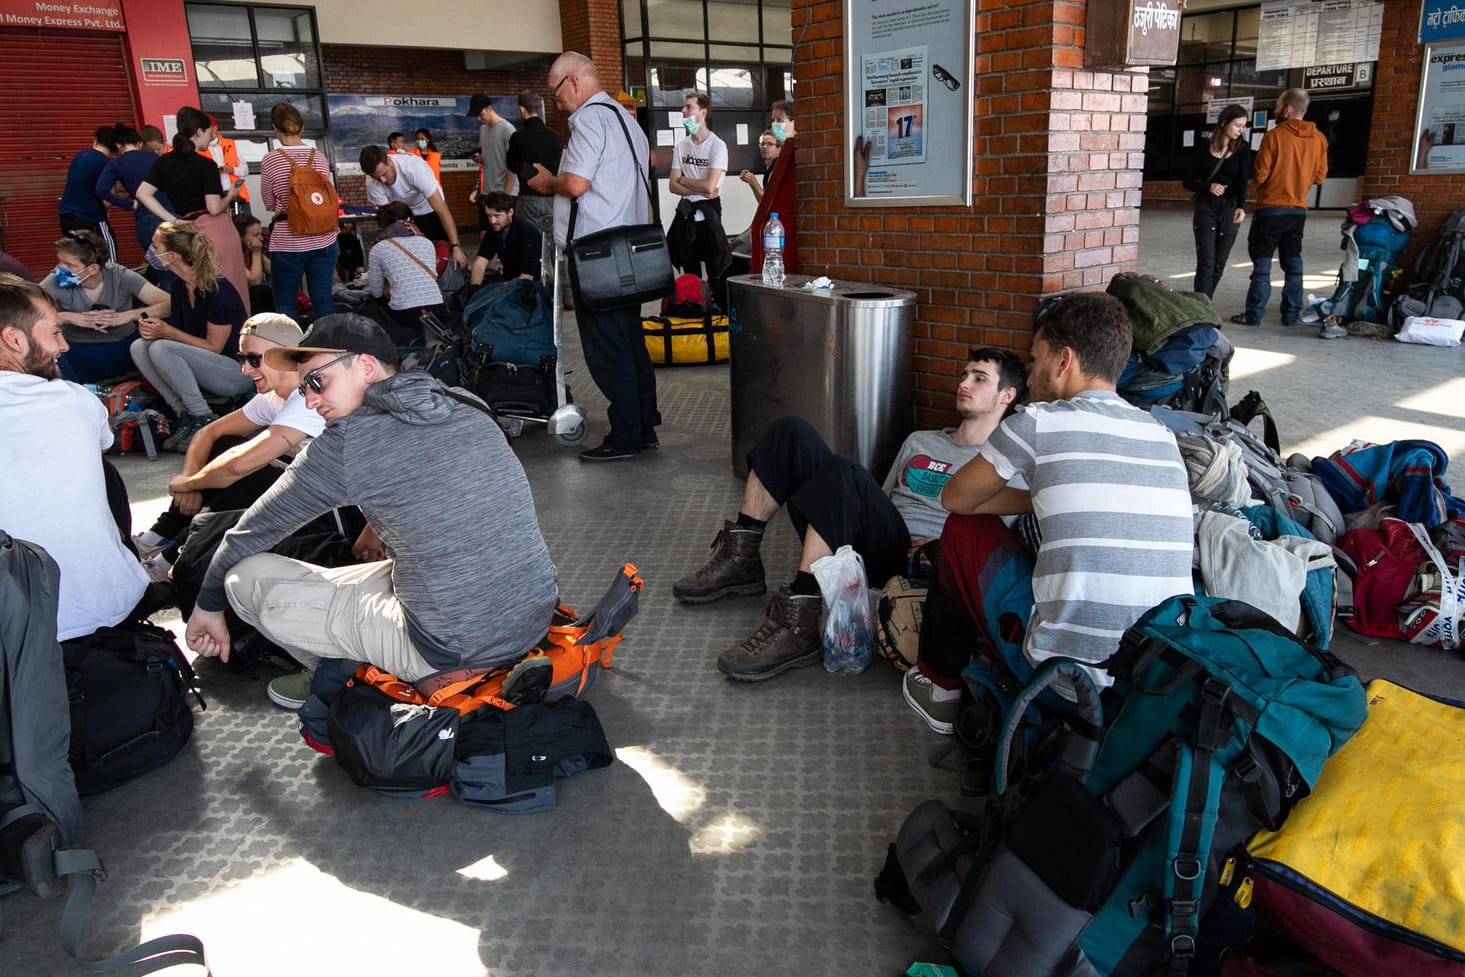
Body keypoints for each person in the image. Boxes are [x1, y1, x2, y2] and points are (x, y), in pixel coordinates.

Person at [181, 314, 559, 711]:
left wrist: (207, 607)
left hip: (453, 647)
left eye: (316, 382)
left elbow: (251, 532)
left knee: (244, 578)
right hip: (532, 613)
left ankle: (349, 680)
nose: (309, 399)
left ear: (365, 366)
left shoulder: (346, 443)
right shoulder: (465, 401)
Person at [673, 349, 1026, 682]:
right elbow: (884, 499)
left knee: (845, 472)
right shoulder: (920, 440)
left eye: (979, 378)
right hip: (882, 542)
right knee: (790, 430)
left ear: (1006, 395)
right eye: (965, 375)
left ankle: (799, 620)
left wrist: (940, 550)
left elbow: (994, 546)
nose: (964, 383)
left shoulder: (1006, 468)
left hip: (923, 565)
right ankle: (741, 560)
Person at [931, 293, 1193, 712]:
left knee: (963, 531)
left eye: (1036, 360)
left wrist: (1036, 499)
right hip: (1159, 682)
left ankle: (939, 686)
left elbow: (955, 498)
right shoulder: (1160, 433)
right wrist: (1046, 500)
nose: (1030, 379)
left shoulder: (1037, 422)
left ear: (1063, 360)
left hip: (1069, 682)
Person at [529, 51, 661, 463]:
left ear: (572, 81)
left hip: (597, 254)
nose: (557, 102)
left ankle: (624, 437)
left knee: (607, 348)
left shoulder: (588, 118)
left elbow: (576, 183)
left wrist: (548, 180)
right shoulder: (627, 121)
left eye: (556, 93)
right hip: (630, 250)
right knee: (630, 340)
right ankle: (642, 426)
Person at [0, 274, 148, 640]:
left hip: (17, 637)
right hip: (110, 608)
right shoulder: (75, 400)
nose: (64, 347)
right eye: (54, 333)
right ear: (14, 340)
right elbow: (101, 445)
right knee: (104, 470)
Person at [134, 313, 324, 576]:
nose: (245, 370)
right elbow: (208, 434)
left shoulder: (307, 399)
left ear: (284, 355)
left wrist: (188, 484)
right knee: (226, 445)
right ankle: (163, 535)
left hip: (329, 513)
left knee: (249, 472)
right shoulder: (275, 395)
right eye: (242, 359)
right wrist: (191, 481)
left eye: (254, 359)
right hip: (305, 498)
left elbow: (238, 465)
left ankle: (176, 553)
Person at [130, 221, 252, 450]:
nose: (151, 252)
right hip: (205, 365)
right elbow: (179, 332)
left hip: (236, 371)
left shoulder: (218, 290)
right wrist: (155, 330)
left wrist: (166, 332)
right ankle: (183, 413)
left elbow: (214, 346)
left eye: (156, 247)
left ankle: (202, 415)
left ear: (173, 256)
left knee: (160, 347)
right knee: (139, 346)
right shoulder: (179, 287)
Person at [135, 106, 252, 317]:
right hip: (216, 230)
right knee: (230, 287)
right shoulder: (206, 164)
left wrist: (173, 220)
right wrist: (231, 195)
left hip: (186, 231)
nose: (210, 138)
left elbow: (143, 194)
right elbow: (214, 208)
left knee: (198, 288)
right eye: (209, 133)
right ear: (199, 132)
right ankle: (238, 336)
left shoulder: (164, 161)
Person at [1231, 89, 1328, 328]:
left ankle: (1254, 314)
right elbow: (1319, 177)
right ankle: (1291, 314)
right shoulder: (1319, 139)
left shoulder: (1274, 137)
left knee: (1262, 265)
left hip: (1270, 209)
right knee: (1293, 263)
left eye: (1277, 105)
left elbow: (1261, 174)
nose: (1275, 110)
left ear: (1287, 109)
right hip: (1298, 211)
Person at [41, 228, 170, 382]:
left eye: (69, 265)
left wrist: (127, 316)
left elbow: (168, 304)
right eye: (60, 262)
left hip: (123, 347)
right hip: (76, 350)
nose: (60, 269)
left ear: (93, 269)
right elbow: (25, 315)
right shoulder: (54, 281)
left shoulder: (121, 276)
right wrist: (66, 317)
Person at [260, 103, 341, 319]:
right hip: (325, 237)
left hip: (289, 241)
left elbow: (268, 202)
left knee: (286, 304)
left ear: (275, 129)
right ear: (302, 128)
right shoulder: (319, 157)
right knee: (323, 299)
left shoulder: (271, 159)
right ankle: (329, 347)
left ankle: (293, 351)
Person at [668, 93, 731, 310]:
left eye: (688, 108)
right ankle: (694, 311)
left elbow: (710, 187)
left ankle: (720, 315)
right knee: (690, 272)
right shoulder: (682, 146)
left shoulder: (717, 146)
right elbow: (672, 185)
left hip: (709, 214)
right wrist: (696, 184)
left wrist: (684, 179)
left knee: (716, 271)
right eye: (683, 108)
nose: (683, 112)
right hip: (686, 214)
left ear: (702, 113)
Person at [358, 144, 468, 268]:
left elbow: (442, 210)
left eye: (384, 174)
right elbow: (387, 219)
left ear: (389, 159)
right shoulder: (372, 182)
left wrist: (456, 246)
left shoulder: (413, 168)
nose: (383, 180)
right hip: (404, 213)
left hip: (429, 207)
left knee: (444, 254)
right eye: (377, 178)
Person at [1185, 104, 1250, 300]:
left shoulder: (1243, 150)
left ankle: (1205, 303)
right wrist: (1208, 186)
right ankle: (1202, 307)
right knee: (1206, 260)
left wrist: (1241, 206)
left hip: (1230, 208)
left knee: (1219, 263)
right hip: (1206, 208)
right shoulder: (1203, 148)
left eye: (1243, 126)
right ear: (1224, 123)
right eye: (1237, 125)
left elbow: (1242, 181)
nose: (1241, 130)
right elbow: (1188, 181)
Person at [366, 202, 446, 345]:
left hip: (404, 312)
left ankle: (403, 339)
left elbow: (376, 291)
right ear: (409, 220)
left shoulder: (378, 248)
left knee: (373, 306)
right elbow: (432, 276)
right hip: (436, 307)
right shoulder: (427, 242)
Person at [95, 124, 170, 252]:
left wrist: (128, 204)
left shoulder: (115, 163)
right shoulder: (156, 158)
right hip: (169, 213)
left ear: (118, 145)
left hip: (145, 217)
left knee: (158, 262)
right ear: (139, 143)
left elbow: (101, 190)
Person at [58, 124, 120, 262]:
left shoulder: (80, 156)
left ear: (96, 140)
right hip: (91, 219)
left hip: (66, 218)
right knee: (108, 260)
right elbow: (107, 201)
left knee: (77, 261)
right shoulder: (107, 164)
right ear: (116, 147)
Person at [504, 90, 561, 232]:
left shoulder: (518, 137)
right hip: (553, 199)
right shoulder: (554, 136)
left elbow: (512, 166)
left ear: (522, 109)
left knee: (529, 240)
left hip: (528, 198)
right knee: (550, 241)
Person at [470, 191, 542, 285]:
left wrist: (502, 292)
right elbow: (481, 261)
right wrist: (475, 288)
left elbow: (527, 275)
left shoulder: (527, 231)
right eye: (489, 216)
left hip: (531, 286)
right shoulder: (494, 231)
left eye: (497, 216)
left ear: (510, 212)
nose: (492, 221)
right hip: (508, 281)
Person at [470, 93, 516, 197]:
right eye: (476, 115)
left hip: (504, 191)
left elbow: (514, 165)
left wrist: (506, 194)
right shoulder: (483, 129)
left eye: (480, 114)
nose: (478, 118)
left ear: (489, 108)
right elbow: (490, 155)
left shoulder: (507, 129)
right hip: (487, 190)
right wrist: (480, 159)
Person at [233, 213, 274, 315]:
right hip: (238, 297)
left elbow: (272, 270)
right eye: (256, 235)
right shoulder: (233, 254)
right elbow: (255, 281)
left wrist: (259, 254)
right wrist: (256, 253)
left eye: (260, 234)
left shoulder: (250, 251)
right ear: (240, 237)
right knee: (260, 291)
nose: (261, 238)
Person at [208, 124, 251, 214]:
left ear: (215, 128)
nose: (210, 132)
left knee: (246, 225)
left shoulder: (230, 144)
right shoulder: (200, 148)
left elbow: (245, 169)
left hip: (238, 195)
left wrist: (233, 169)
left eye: (211, 128)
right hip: (215, 197)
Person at [739, 130, 780, 204]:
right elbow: (762, 202)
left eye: (770, 144)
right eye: (762, 144)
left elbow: (769, 202)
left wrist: (754, 182)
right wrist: (751, 182)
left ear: (779, 149)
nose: (764, 147)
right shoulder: (769, 169)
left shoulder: (778, 169)